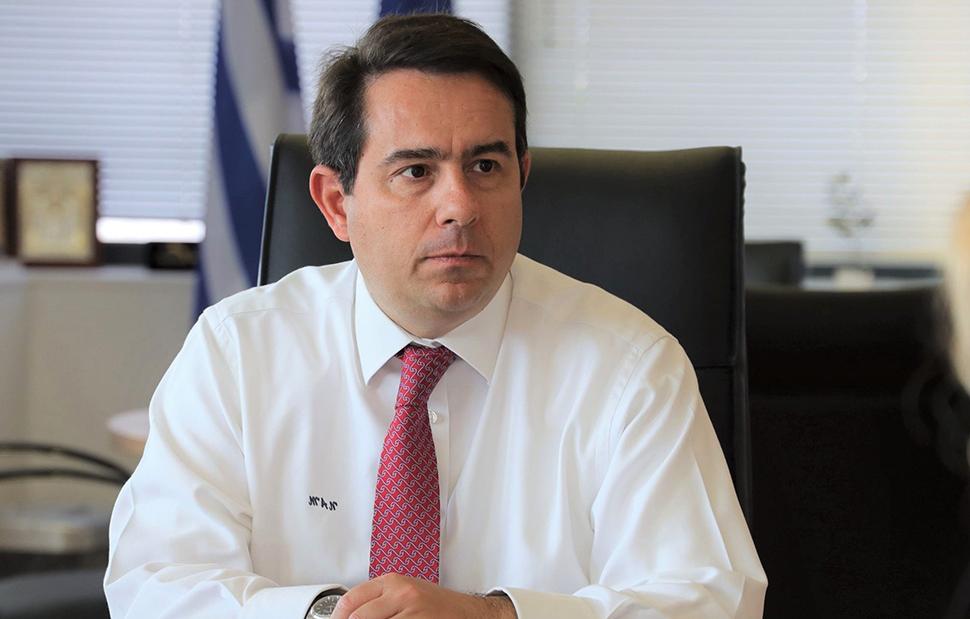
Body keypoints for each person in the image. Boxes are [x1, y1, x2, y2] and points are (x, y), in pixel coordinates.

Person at [104, 14, 766, 619]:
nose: (460, 207)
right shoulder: (238, 351)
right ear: (335, 202)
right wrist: (330, 614)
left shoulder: (629, 367)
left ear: (521, 176)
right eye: (416, 171)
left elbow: (711, 600)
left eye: (485, 165)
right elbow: (154, 585)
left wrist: (495, 617)